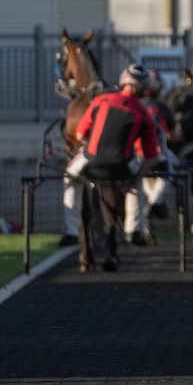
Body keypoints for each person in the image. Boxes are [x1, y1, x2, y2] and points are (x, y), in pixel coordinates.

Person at [73, 63, 159, 271]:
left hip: (91, 163)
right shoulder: (144, 114)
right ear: (144, 87)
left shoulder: (100, 100)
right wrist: (135, 181)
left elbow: (79, 135)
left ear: (123, 81)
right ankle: (131, 229)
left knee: (69, 181)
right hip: (120, 168)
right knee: (129, 189)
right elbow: (150, 157)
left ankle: (76, 240)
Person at [123, 69, 179, 245]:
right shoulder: (163, 108)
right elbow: (176, 134)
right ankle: (156, 203)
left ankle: (146, 223)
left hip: (135, 156)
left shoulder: (133, 106)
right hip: (156, 154)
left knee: (141, 190)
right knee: (171, 168)